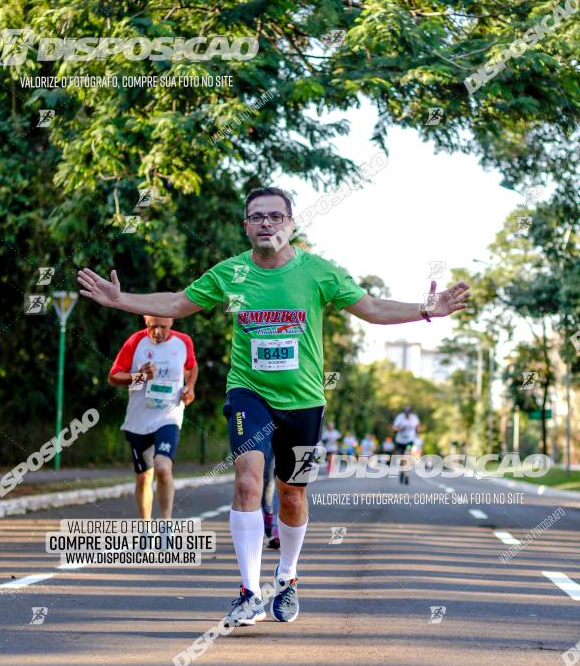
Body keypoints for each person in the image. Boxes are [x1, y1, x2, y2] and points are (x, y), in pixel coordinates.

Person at [78, 186, 470, 626]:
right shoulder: (230, 274)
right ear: (246, 226)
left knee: (291, 494)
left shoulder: (319, 273)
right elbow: (175, 303)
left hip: (303, 402)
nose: (266, 223)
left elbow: (373, 308)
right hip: (249, 392)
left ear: (291, 223)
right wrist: (120, 299)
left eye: (275, 216)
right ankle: (248, 592)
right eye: (257, 217)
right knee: (248, 481)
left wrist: (426, 309)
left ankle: (287, 577)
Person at [107, 316, 198, 520]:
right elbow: (113, 376)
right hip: (139, 420)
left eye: (162, 327)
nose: (157, 332)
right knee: (143, 477)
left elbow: (191, 367)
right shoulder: (135, 342)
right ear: (145, 321)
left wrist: (189, 388)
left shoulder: (184, 342)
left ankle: (166, 525)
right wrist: (139, 376)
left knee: (163, 468)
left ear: (172, 321)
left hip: (169, 415)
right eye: (152, 326)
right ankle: (146, 527)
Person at [392, 405, 420, 485]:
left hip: (409, 441)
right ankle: (402, 471)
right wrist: (400, 428)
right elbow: (394, 428)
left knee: (407, 456)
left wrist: (417, 430)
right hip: (400, 441)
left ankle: (406, 475)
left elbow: (418, 427)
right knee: (402, 458)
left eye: (408, 413)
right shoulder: (400, 417)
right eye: (405, 413)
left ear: (410, 413)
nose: (407, 415)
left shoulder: (414, 418)